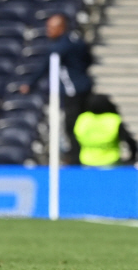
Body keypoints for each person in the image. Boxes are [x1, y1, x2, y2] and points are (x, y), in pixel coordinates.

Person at [19, 14, 93, 164]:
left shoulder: (59, 47)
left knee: (72, 127)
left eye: (51, 28)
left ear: (61, 28)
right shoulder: (77, 42)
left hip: (72, 91)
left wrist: (29, 84)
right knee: (84, 124)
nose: (48, 31)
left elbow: (44, 67)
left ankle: (76, 160)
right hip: (86, 87)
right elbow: (89, 60)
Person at [74, 94, 137, 166]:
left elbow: (75, 137)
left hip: (87, 161)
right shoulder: (113, 120)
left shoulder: (83, 119)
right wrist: (132, 158)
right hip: (111, 161)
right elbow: (129, 140)